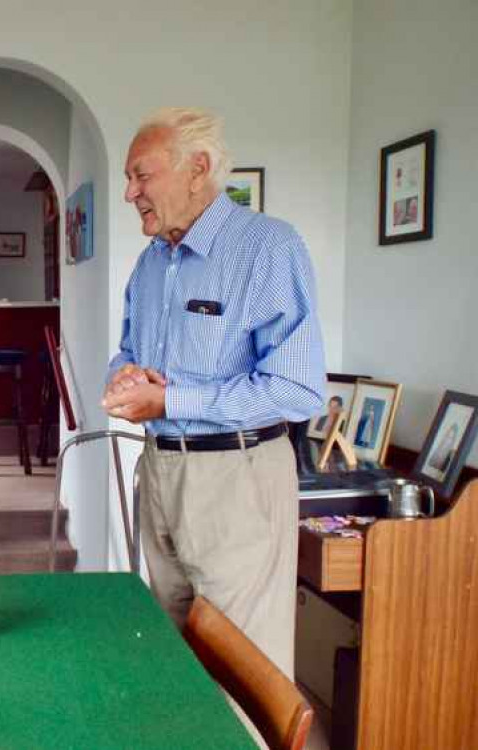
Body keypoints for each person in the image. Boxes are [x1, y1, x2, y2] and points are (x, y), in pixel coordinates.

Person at [103, 108, 325, 677]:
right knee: (172, 656)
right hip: (159, 472)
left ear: (196, 169)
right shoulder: (151, 263)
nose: (130, 193)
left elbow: (298, 389)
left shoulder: (268, 248)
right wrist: (126, 376)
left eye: (141, 175)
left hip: (238, 478)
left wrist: (173, 401)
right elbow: (129, 348)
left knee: (241, 666)